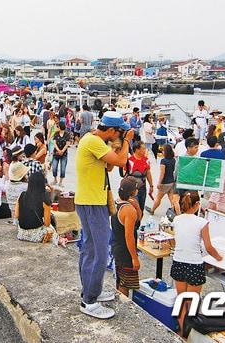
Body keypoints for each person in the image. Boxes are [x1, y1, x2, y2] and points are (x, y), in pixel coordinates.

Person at [75, 111, 134, 319]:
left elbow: (108, 166)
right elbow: (120, 162)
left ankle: (91, 292)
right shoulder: (93, 141)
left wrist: (115, 145)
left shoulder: (94, 141)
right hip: (92, 202)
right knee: (99, 252)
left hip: (90, 201)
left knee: (90, 249)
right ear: (111, 130)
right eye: (117, 132)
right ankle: (89, 301)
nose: (119, 135)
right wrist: (126, 142)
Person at [171, 191, 222, 337]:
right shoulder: (202, 222)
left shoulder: (177, 220)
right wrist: (219, 258)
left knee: (182, 301)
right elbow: (209, 247)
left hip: (178, 262)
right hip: (194, 264)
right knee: (191, 304)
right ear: (198, 204)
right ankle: (191, 335)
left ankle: (181, 333)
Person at [111, 176, 142, 297]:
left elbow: (137, 221)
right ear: (132, 192)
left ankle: (119, 302)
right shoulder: (128, 209)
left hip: (117, 247)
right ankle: (123, 306)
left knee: (119, 280)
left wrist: (138, 207)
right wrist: (134, 257)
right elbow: (129, 236)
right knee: (125, 284)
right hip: (125, 252)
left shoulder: (117, 203)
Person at [15, 172, 55, 243]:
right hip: (36, 236)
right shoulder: (44, 198)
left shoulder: (22, 195)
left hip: (21, 234)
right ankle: (61, 240)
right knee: (52, 228)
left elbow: (16, 215)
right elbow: (47, 223)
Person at [147, 144, 179, 215]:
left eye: (163, 151)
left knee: (158, 198)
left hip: (165, 183)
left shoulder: (163, 161)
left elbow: (162, 173)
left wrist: (159, 183)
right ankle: (175, 211)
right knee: (171, 199)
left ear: (166, 152)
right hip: (171, 182)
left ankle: (152, 210)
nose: (162, 152)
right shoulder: (173, 160)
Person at [127, 141, 154, 212]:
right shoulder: (129, 161)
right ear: (137, 150)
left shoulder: (146, 160)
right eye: (143, 149)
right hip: (132, 190)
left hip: (142, 189)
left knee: (141, 209)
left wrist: (151, 186)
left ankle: (139, 222)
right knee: (133, 209)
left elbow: (148, 173)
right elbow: (125, 176)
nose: (145, 150)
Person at [51, 121, 71, 186]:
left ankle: (61, 181)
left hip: (64, 154)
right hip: (56, 153)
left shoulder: (67, 134)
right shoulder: (56, 133)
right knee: (54, 167)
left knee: (63, 168)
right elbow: (54, 143)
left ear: (60, 127)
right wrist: (59, 150)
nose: (57, 127)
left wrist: (62, 151)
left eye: (57, 126)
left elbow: (68, 144)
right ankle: (55, 180)